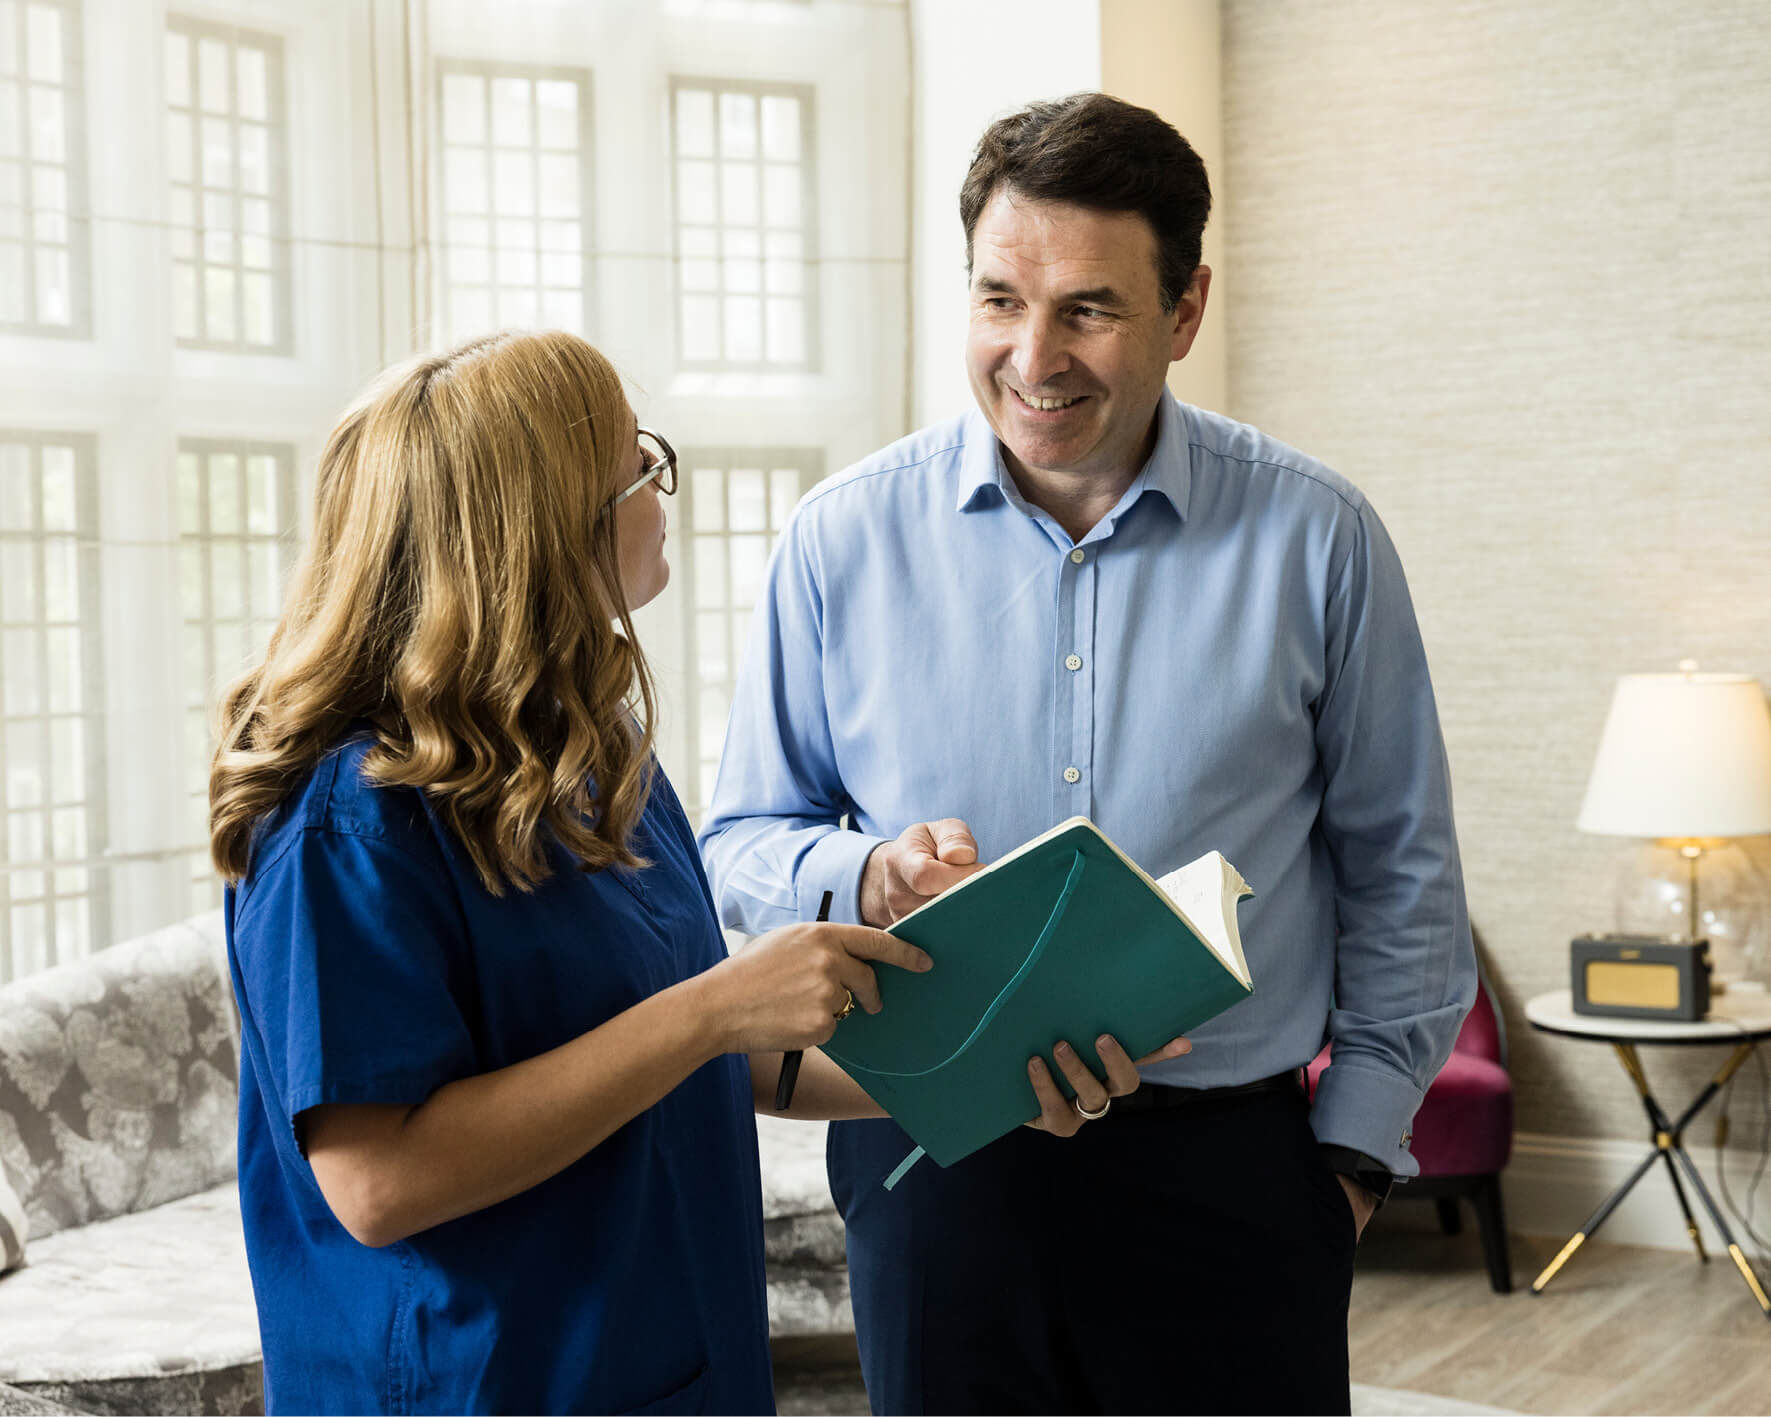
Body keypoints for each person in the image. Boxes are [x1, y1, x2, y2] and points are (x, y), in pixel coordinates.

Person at [209, 329, 1166, 1415]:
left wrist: (988, 1071)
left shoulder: (588, 751)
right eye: (639, 463)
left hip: (664, 1365)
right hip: (478, 1384)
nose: (661, 492)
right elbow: (380, 1182)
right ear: (546, 526)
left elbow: (710, 1053)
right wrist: (716, 1007)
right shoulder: (348, 819)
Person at [699, 93, 1477, 1415]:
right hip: (932, 1170)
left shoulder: (1319, 540)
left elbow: (1400, 866)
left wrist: (1346, 1162)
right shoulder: (836, 542)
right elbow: (739, 847)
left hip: (1230, 1181)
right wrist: (868, 869)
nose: (1032, 354)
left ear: (1182, 311)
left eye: (1088, 309)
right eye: (999, 299)